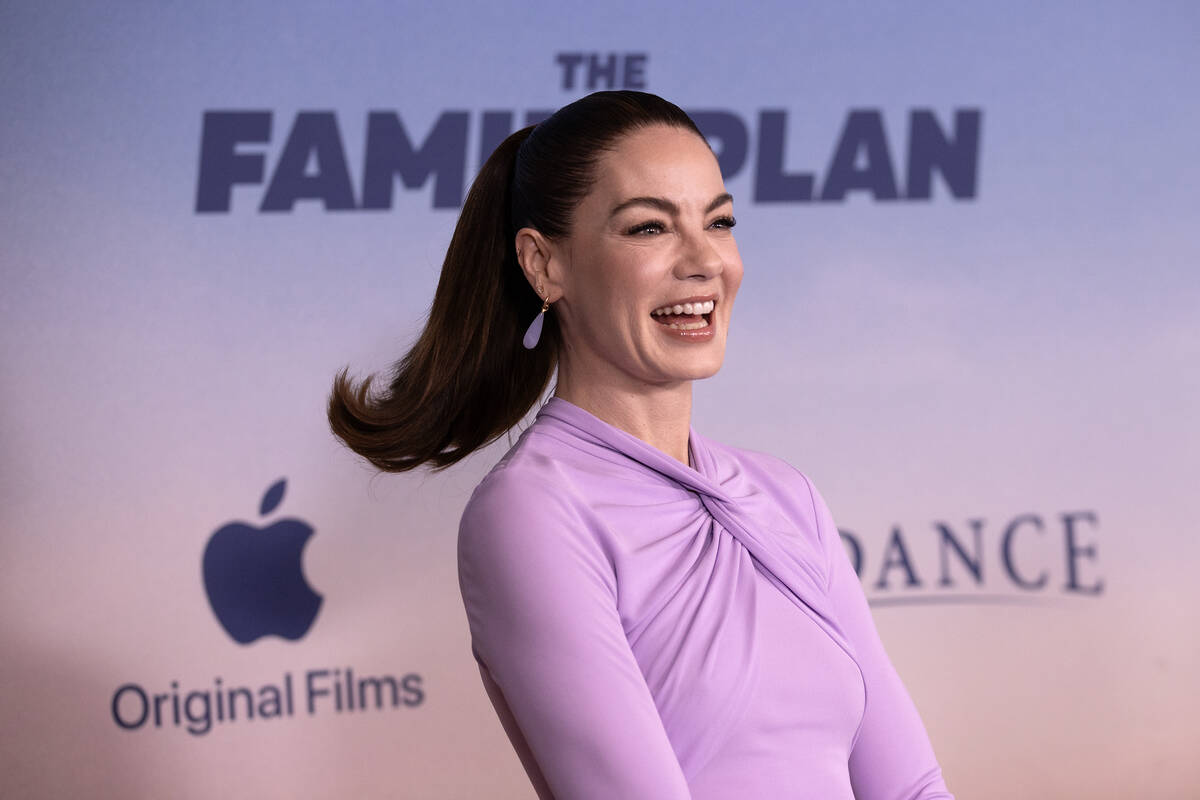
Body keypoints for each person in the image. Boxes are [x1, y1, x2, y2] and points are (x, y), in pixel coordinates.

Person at [328, 90, 954, 800]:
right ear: (544, 265)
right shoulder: (531, 515)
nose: (704, 261)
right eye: (649, 228)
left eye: (719, 222)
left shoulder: (786, 495)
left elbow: (910, 785)